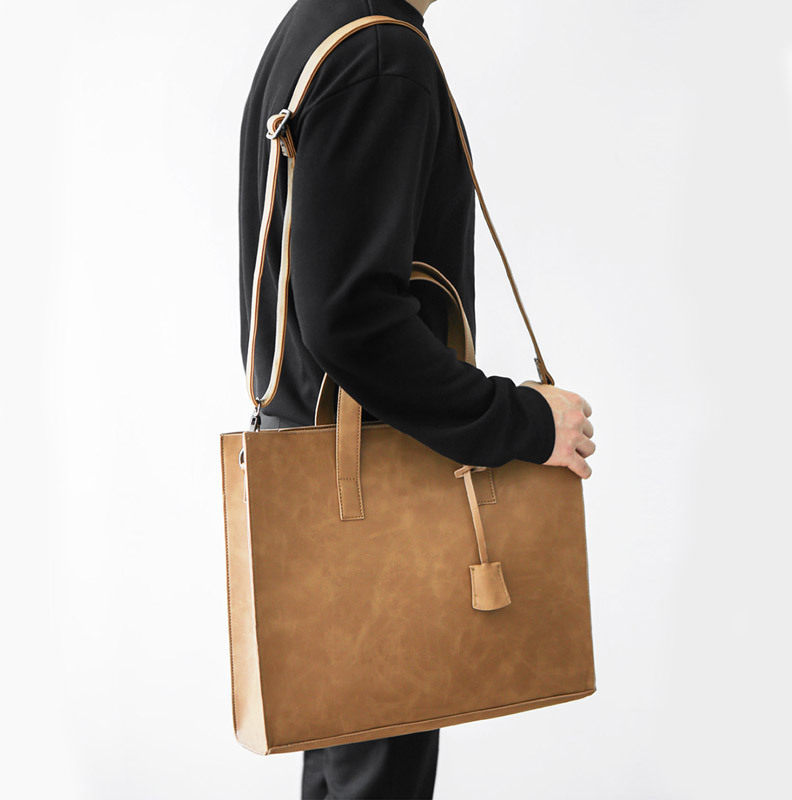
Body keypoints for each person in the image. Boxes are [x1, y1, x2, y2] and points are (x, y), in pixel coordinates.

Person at [238, 0, 595, 797]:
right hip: (379, 487)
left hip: (322, 476)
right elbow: (353, 322)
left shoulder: (321, 23)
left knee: (345, 768)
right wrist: (522, 422)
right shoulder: (381, 55)